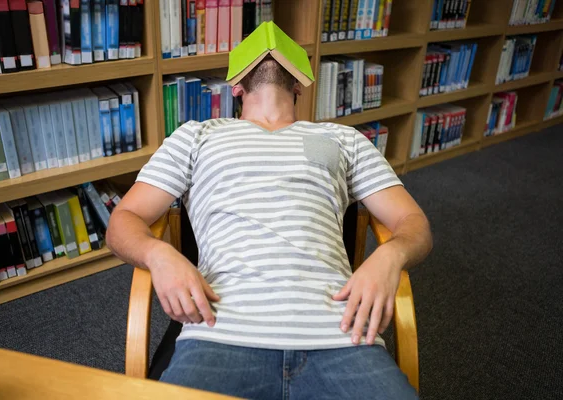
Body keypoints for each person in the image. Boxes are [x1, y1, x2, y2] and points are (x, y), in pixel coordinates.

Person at [107, 33, 432, 400]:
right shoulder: (196, 136)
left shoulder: (344, 139)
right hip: (219, 332)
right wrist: (159, 254)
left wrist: (390, 255)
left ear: (299, 84)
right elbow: (126, 218)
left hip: (341, 333)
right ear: (234, 87)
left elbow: (413, 223)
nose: (269, 39)